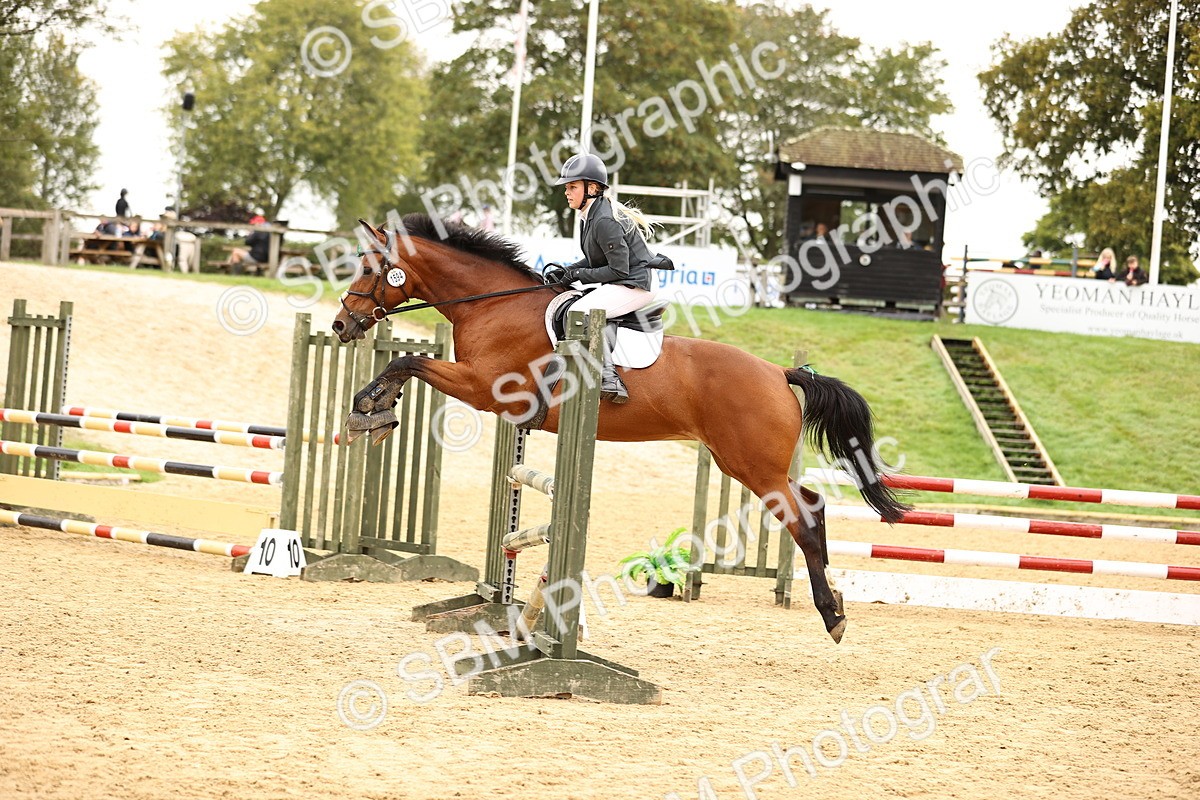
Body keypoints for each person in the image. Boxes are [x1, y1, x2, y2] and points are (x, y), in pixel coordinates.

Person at [542, 153, 660, 404]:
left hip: (636, 284)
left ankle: (609, 377)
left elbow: (619, 270)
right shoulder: (590, 215)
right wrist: (568, 270)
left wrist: (578, 274)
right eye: (567, 187)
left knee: (582, 310)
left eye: (572, 186)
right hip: (625, 279)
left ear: (592, 188)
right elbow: (595, 260)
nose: (567, 192)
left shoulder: (604, 220)